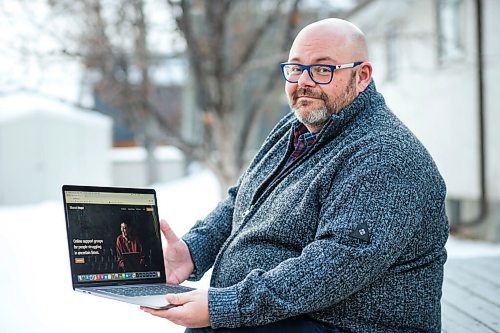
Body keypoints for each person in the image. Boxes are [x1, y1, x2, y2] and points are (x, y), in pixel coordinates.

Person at [142, 18, 449, 333]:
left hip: (349, 325)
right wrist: (192, 252)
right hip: (293, 315)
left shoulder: (384, 156)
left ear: (362, 76)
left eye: (322, 69)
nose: (304, 81)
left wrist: (229, 306)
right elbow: (243, 199)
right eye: (296, 68)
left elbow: (337, 264)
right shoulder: (297, 127)